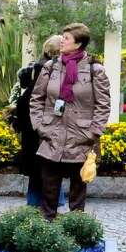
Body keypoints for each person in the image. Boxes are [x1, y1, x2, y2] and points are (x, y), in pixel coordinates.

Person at [29, 22, 111, 220]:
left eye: (66, 38)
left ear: (78, 43)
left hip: (80, 139)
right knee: (48, 192)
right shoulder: (50, 67)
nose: (61, 41)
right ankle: (47, 234)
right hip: (51, 137)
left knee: (77, 195)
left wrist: (92, 133)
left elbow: (103, 105)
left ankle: (76, 230)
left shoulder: (95, 70)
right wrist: (39, 126)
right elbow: (36, 98)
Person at [15, 35, 64, 208]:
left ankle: (42, 206)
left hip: (34, 129)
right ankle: (47, 208)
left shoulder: (39, 68)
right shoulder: (47, 70)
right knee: (46, 170)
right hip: (41, 129)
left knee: (40, 172)